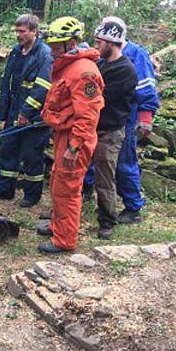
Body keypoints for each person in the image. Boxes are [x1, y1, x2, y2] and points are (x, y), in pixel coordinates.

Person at [83, 16, 160, 223]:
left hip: (125, 115)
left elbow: (146, 87)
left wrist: (146, 116)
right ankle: (87, 192)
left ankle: (133, 206)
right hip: (99, 116)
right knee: (91, 158)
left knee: (124, 162)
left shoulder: (136, 54)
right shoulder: (101, 56)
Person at [37, 16, 104, 254]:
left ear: (72, 43)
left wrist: (74, 147)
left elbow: (88, 115)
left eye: (57, 47)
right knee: (58, 182)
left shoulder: (85, 72)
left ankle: (64, 240)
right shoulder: (68, 66)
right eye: (52, 47)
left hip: (76, 139)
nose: (52, 52)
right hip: (64, 135)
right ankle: (58, 226)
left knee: (67, 187)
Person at [0, 14, 53, 208]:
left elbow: (42, 88)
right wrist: (0, 106)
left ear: (34, 31)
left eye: (22, 31)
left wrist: (26, 113)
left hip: (34, 117)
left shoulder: (45, 55)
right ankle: (5, 189)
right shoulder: (16, 52)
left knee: (32, 155)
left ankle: (32, 195)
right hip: (13, 112)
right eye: (16, 31)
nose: (18, 35)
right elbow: (6, 80)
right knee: (8, 149)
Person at [90, 17, 138, 239]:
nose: (96, 45)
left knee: (104, 178)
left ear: (112, 42)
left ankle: (107, 221)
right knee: (75, 172)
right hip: (90, 128)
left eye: (99, 42)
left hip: (109, 132)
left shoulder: (126, 70)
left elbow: (100, 98)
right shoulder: (101, 64)